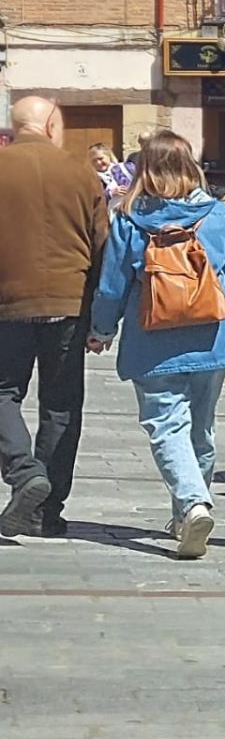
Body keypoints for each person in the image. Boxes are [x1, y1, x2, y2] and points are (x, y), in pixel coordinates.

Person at [86, 131, 225, 558]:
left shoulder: (129, 218)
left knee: (166, 426)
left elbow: (112, 285)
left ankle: (193, 504)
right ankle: (186, 515)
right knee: (200, 429)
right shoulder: (217, 214)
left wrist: (102, 330)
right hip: (213, 338)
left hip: (152, 341)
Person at [0, 96, 107, 538]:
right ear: (48, 126)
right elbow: (102, 244)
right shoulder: (82, 173)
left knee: (3, 392)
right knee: (61, 404)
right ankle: (46, 511)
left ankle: (24, 471)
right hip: (69, 302)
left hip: (8, 303)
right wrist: (100, 313)